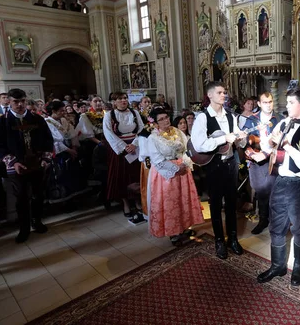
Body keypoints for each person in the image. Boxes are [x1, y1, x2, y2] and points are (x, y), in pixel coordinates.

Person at [256, 86, 300, 286]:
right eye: (286, 102)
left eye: (290, 103)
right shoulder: (285, 123)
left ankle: (298, 266)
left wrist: (286, 145)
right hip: (281, 181)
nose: (286, 106)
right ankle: (277, 266)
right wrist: (265, 137)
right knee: (276, 226)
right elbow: (267, 148)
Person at [190, 81, 247, 259]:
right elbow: (199, 145)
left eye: (225, 92)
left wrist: (241, 139)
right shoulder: (203, 118)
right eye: (220, 92)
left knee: (231, 203)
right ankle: (219, 241)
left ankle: (233, 239)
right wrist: (223, 139)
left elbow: (238, 140)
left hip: (230, 163)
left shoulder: (231, 117)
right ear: (210, 95)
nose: (224, 95)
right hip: (214, 166)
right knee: (215, 205)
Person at [0, 88, 54, 243]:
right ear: (9, 102)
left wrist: (46, 159)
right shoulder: (1, 122)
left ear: (26, 101)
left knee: (38, 194)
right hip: (16, 165)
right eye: (15, 101)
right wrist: (13, 161)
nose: (19, 105)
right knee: (21, 198)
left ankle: (37, 221)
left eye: (22, 101)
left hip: (38, 162)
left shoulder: (37, 120)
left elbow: (48, 140)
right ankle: (24, 228)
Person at [146, 108, 204, 244]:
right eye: (161, 119)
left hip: (183, 170)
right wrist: (174, 168)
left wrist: (185, 163)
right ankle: (173, 233)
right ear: (155, 123)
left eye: (166, 117)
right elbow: (157, 159)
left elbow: (187, 149)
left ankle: (183, 227)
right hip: (165, 174)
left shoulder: (177, 132)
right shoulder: (153, 138)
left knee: (182, 201)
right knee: (170, 203)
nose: (166, 120)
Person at [103, 92, 145, 224]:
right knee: (122, 176)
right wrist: (123, 147)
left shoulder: (134, 113)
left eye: (125, 98)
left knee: (136, 176)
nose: (124, 101)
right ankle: (126, 203)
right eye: (120, 99)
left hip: (135, 147)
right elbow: (108, 133)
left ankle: (138, 201)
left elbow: (142, 129)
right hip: (120, 150)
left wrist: (134, 144)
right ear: (114, 102)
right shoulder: (109, 115)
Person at [243, 92, 282, 234]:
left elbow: (282, 142)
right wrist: (253, 153)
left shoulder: (279, 118)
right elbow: (245, 142)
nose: (268, 105)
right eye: (265, 102)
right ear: (259, 104)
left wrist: (268, 151)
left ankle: (275, 221)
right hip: (257, 162)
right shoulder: (252, 120)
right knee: (261, 192)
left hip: (273, 159)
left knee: (274, 191)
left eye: (270, 101)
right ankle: (263, 220)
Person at [45, 101, 85, 204]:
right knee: (61, 175)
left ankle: (75, 197)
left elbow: (72, 134)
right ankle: (64, 200)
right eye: (61, 111)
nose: (64, 112)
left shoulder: (63, 120)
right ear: (53, 111)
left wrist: (74, 147)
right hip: (60, 152)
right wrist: (68, 150)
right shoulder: (47, 122)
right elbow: (54, 140)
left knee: (73, 174)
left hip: (70, 149)